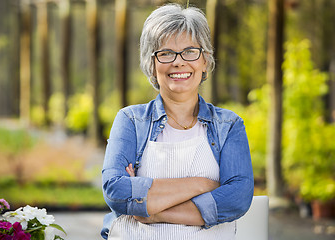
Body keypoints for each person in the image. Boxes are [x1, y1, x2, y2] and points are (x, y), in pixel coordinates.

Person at [101, 3, 254, 240]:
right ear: (152, 64)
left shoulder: (229, 125)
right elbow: (116, 192)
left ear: (205, 61)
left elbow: (237, 199)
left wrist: (153, 211)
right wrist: (203, 184)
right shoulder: (130, 120)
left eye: (190, 51)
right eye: (165, 53)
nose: (179, 62)